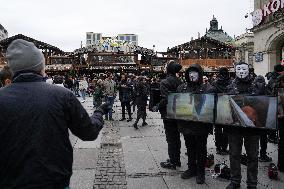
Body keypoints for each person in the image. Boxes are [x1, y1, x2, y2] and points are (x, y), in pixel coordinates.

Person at [0, 39, 111, 188]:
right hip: (53, 180)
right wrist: (99, 112)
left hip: (9, 181)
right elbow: (88, 132)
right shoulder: (62, 95)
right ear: (40, 66)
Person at [225, 62, 260, 189]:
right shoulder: (230, 86)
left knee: (253, 156)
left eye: (243, 69)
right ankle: (235, 180)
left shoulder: (257, 85)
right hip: (234, 127)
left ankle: (252, 183)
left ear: (248, 70)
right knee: (234, 154)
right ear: (235, 70)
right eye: (238, 69)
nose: (241, 71)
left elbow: (264, 104)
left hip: (252, 127)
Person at [177, 64, 213, 184]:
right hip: (187, 124)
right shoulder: (182, 87)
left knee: (201, 149)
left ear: (200, 74)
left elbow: (210, 107)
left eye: (195, 72)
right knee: (190, 148)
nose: (192, 75)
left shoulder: (207, 88)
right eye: (190, 73)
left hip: (201, 125)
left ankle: (200, 172)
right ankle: (191, 168)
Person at [156, 60, 182, 170]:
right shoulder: (180, 81)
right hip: (179, 113)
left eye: (165, 66)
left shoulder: (165, 82)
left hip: (168, 114)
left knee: (171, 138)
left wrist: (156, 106)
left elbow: (166, 98)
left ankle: (173, 162)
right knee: (176, 138)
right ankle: (177, 159)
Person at [211, 67, 231, 155]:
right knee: (226, 130)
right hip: (227, 108)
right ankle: (224, 147)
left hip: (217, 108)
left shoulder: (214, 83)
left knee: (218, 130)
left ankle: (218, 148)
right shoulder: (231, 83)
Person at [252, 75, 272, 162]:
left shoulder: (252, 89)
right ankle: (263, 155)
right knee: (263, 137)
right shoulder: (266, 88)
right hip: (264, 117)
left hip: (254, 116)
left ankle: (253, 154)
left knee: (254, 137)